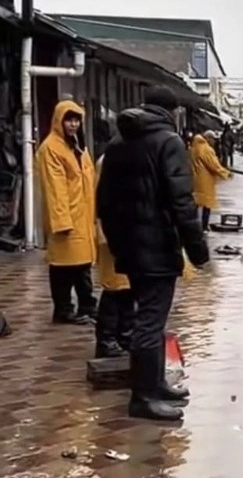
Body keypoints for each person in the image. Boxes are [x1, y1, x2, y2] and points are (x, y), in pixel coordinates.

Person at [97, 86, 209, 421]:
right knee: (149, 322)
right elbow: (182, 202)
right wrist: (198, 251)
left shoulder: (117, 144)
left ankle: (156, 383)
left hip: (131, 248)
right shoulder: (168, 142)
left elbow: (103, 202)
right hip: (157, 248)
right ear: (172, 112)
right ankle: (143, 397)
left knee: (150, 318)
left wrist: (119, 244)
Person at [35, 100, 97, 325]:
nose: (73, 124)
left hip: (82, 216)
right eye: (69, 119)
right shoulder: (51, 148)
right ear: (59, 120)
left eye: (77, 120)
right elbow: (55, 188)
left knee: (81, 265)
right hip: (67, 217)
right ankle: (64, 308)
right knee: (64, 267)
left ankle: (86, 304)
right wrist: (61, 221)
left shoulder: (77, 146)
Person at [94, 149, 134, 358]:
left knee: (127, 287)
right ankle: (107, 339)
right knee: (114, 287)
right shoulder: (109, 161)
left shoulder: (132, 156)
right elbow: (104, 202)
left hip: (129, 235)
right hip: (113, 234)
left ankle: (124, 337)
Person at [190, 130, 231, 231]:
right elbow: (213, 165)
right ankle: (204, 226)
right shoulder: (206, 149)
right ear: (208, 138)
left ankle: (192, 225)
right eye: (213, 139)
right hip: (205, 180)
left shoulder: (194, 147)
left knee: (196, 203)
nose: (215, 142)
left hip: (195, 179)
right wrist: (225, 173)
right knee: (207, 203)